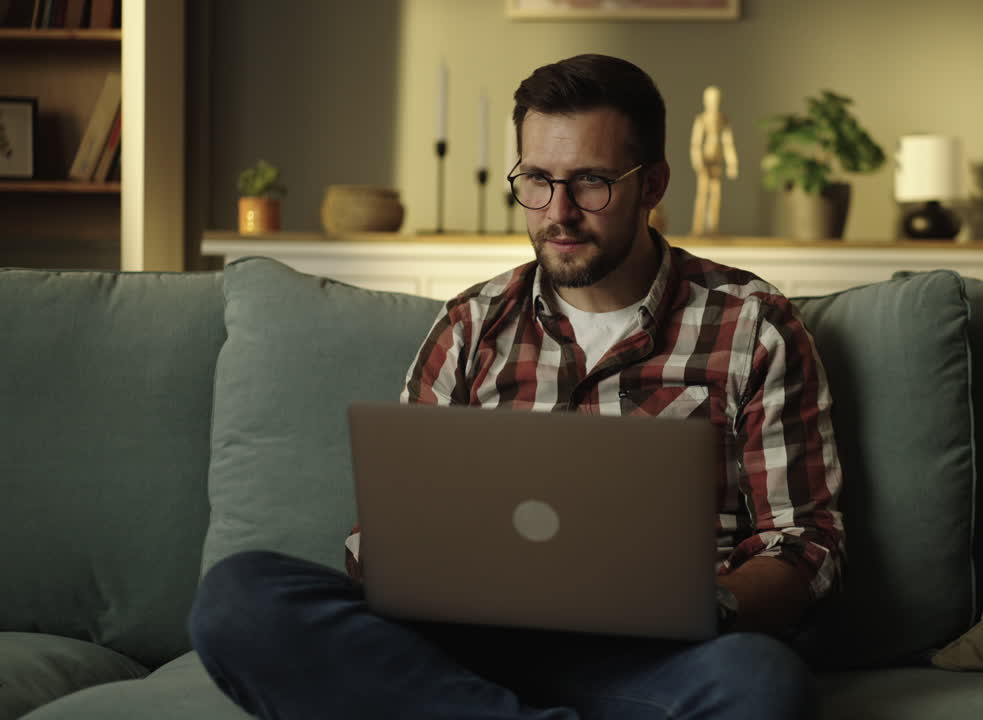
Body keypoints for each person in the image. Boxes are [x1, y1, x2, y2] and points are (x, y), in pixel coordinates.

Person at [188, 54, 844, 720]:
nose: (558, 212)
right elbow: (383, 531)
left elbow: (804, 543)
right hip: (463, 653)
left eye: (591, 182)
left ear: (653, 185)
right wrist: (401, 562)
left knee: (761, 683)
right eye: (536, 180)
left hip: (654, 664)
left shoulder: (752, 323)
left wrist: (718, 600)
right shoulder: (471, 325)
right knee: (239, 598)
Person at [690, 85, 738, 235]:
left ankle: (713, 227)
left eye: (716, 100)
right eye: (711, 100)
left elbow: (728, 142)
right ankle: (698, 227)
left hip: (717, 161)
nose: (713, 103)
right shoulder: (702, 119)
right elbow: (696, 143)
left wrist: (732, 163)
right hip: (705, 161)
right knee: (702, 194)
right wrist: (697, 161)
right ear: (706, 101)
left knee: (716, 195)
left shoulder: (722, 119)